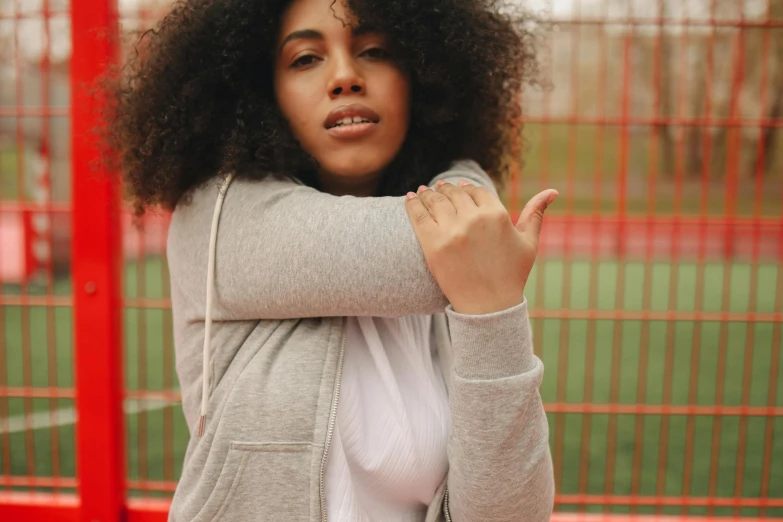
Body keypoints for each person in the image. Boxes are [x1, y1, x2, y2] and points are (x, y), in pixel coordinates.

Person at [104, 0, 557, 520]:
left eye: (374, 50)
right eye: (304, 59)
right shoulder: (219, 214)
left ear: (423, 76)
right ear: (259, 89)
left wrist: (493, 319)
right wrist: (482, 238)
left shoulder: (463, 240)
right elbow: (434, 255)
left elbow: (510, 514)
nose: (344, 76)